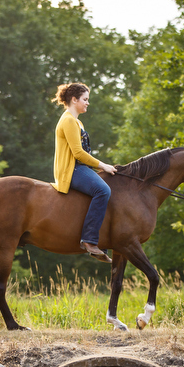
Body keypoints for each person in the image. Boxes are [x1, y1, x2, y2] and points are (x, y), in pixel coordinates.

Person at [52, 82, 117, 263]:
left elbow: (83, 154)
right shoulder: (68, 120)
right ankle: (89, 241)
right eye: (85, 99)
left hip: (80, 167)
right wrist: (103, 165)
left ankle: (102, 240)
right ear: (74, 100)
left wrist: (101, 168)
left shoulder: (77, 121)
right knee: (103, 190)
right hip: (71, 170)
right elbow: (78, 153)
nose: (87, 103)